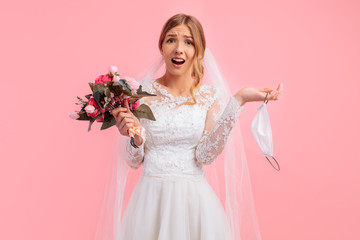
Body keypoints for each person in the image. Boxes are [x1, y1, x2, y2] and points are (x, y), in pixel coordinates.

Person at [97, 13, 283, 240]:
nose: (178, 49)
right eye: (171, 40)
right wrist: (134, 136)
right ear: (162, 46)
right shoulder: (140, 92)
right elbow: (133, 160)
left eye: (188, 42)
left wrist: (239, 100)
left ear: (199, 51)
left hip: (194, 206)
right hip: (149, 203)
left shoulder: (210, 96)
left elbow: (205, 156)